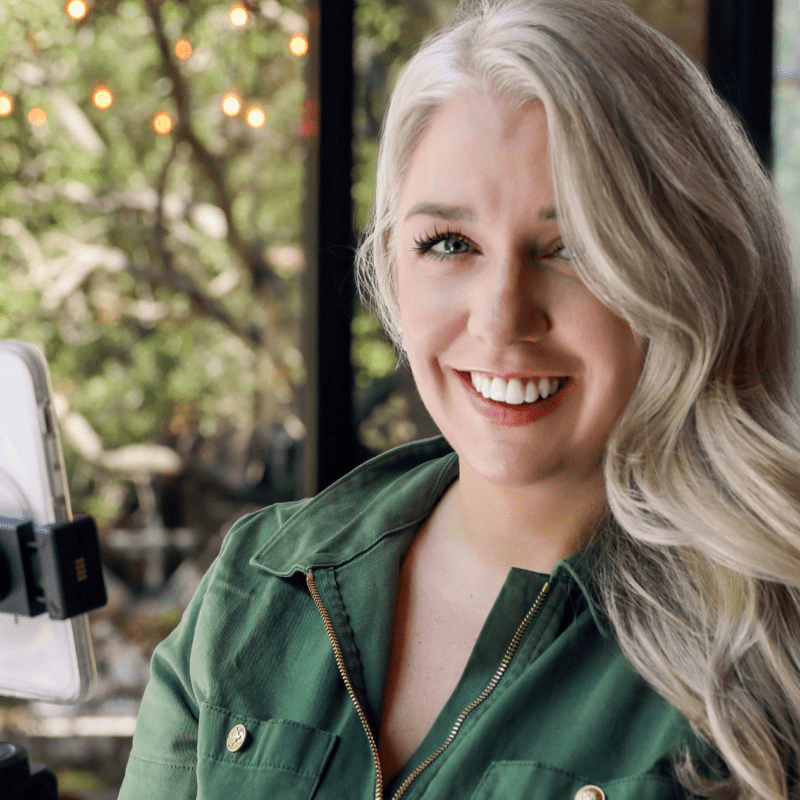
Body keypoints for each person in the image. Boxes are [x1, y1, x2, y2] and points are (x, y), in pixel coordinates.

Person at [118, 1, 800, 798]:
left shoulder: (772, 648)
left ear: (686, 270)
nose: (502, 318)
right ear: (392, 268)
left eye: (574, 249)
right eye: (450, 244)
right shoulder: (257, 588)